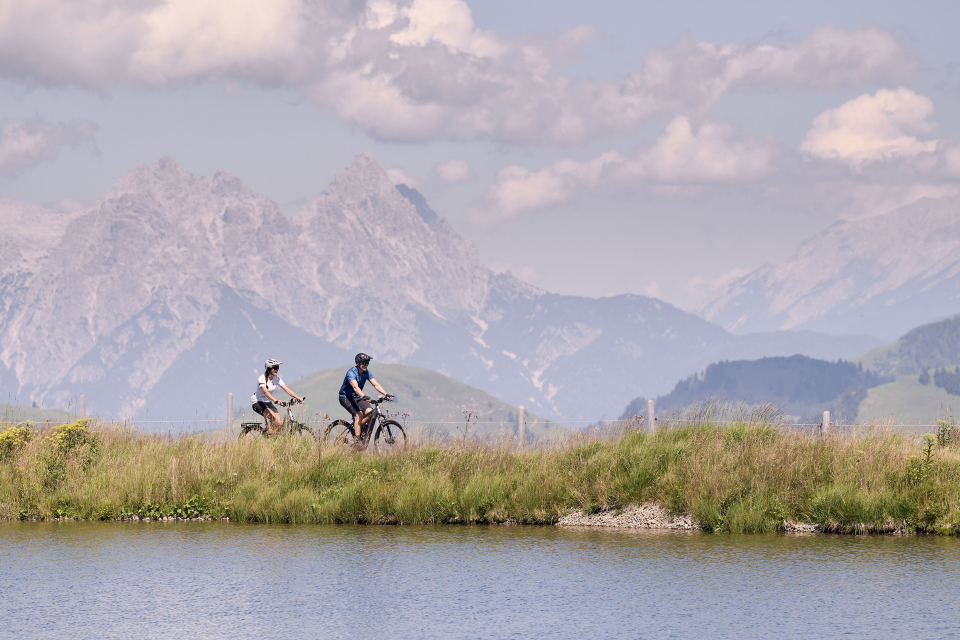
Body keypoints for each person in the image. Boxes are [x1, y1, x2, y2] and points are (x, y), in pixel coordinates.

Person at [339, 353, 391, 439]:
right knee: (359, 414)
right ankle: (357, 439)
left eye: (367, 362)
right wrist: (364, 396)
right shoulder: (351, 372)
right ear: (357, 363)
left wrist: (386, 394)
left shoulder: (366, 373)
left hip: (357, 397)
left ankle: (357, 427)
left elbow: (376, 384)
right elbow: (355, 387)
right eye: (364, 362)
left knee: (370, 413)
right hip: (346, 397)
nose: (366, 364)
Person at [251, 358, 303, 436]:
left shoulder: (276, 379)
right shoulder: (262, 378)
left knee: (279, 423)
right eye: (275, 367)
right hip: (258, 402)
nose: (277, 369)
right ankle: (270, 441)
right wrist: (275, 400)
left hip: (268, 401)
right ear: (269, 368)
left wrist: (297, 397)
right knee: (273, 418)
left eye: (278, 367)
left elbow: (287, 389)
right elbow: (266, 392)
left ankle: (272, 439)